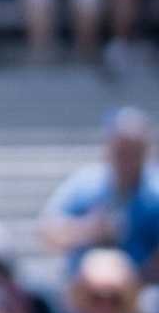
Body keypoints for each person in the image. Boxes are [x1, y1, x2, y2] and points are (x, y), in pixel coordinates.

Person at [40, 108, 159, 279]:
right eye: (121, 151)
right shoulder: (85, 184)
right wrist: (87, 230)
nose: (127, 159)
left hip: (141, 291)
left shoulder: (154, 192)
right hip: (84, 292)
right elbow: (48, 232)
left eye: (134, 151)